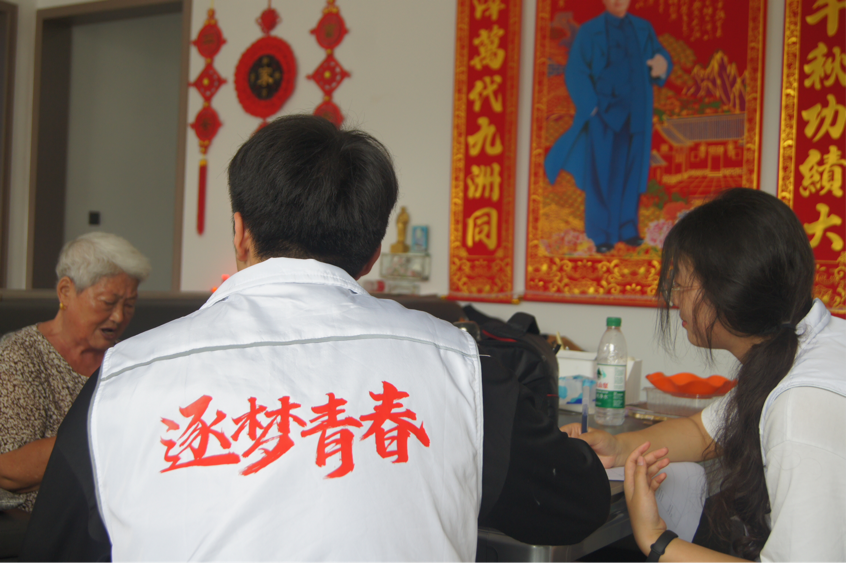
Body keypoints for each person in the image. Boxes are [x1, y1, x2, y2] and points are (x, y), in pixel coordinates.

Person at [21, 115, 610, 562]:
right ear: (373, 253)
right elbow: (573, 507)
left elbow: (53, 547)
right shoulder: (462, 367)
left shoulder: (125, 377)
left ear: (239, 232)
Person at [564, 188, 846, 562]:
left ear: (728, 288)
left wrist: (657, 540)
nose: (674, 299)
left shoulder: (804, 402)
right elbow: (702, 432)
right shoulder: (797, 348)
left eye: (682, 283)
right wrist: (618, 448)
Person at [0, 232, 150, 512]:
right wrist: (110, 438)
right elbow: (8, 469)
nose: (119, 316)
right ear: (66, 292)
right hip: (47, 523)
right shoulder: (20, 357)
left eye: (129, 305)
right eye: (108, 302)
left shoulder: (128, 361)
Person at [544, 0, 672, 253]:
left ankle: (627, 228)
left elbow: (660, 55)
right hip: (603, 113)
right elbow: (576, 70)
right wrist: (590, 105)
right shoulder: (590, 31)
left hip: (637, 112)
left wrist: (661, 65)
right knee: (601, 173)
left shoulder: (643, 28)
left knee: (632, 172)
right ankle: (601, 234)